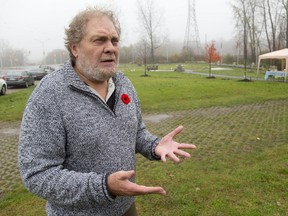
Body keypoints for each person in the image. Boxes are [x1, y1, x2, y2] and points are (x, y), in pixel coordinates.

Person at [18, 6, 196, 216]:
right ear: (74, 48)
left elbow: (135, 132)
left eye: (114, 40)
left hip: (126, 208)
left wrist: (154, 145)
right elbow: (37, 174)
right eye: (99, 40)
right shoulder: (49, 95)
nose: (111, 48)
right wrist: (104, 186)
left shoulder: (123, 84)